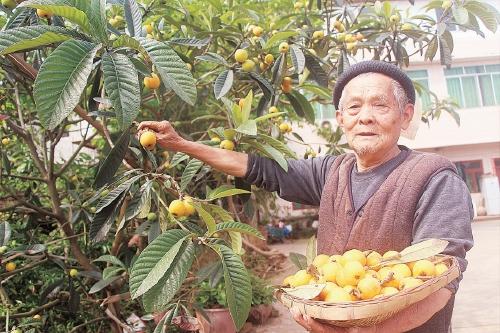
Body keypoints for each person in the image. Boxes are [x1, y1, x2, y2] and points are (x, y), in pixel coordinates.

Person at [137, 60, 473, 333]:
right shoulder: (331, 171)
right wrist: (182, 145)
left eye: (380, 105)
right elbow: (258, 168)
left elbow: (444, 279)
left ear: (406, 115)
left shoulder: (434, 178)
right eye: (354, 107)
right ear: (341, 120)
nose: (365, 117)